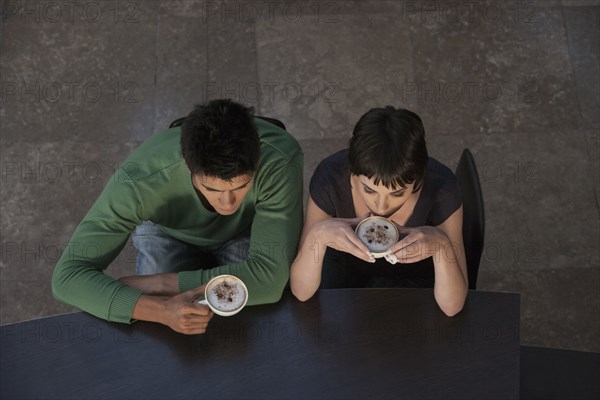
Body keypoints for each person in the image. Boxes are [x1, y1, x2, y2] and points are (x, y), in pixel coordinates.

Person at [52, 99, 304, 334]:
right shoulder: (138, 180)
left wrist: (161, 285)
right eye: (212, 189)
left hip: (245, 228)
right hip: (168, 231)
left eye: (241, 187)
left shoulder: (280, 159)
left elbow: (269, 281)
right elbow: (68, 277)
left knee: (252, 324)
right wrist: (161, 310)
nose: (228, 203)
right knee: (157, 333)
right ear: (187, 165)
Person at [289, 106, 467, 316]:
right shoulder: (330, 179)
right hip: (343, 274)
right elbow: (301, 292)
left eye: (398, 193)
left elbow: (452, 307)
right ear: (352, 172)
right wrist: (316, 236)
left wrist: (442, 245)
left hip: (414, 284)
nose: (381, 208)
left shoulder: (442, 189)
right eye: (369, 190)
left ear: (419, 179)